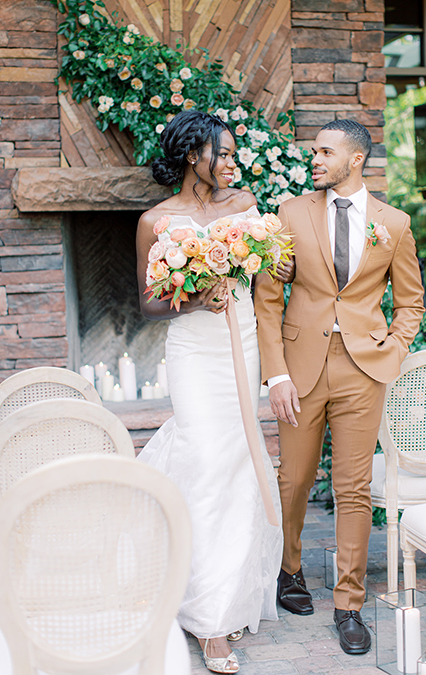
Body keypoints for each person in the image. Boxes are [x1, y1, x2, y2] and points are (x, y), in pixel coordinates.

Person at [254, 119, 425, 655]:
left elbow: (411, 300)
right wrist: (276, 371)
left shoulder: (393, 223)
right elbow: (267, 295)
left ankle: (349, 604)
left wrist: (392, 350)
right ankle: (290, 571)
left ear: (356, 159)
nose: (315, 159)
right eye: (314, 151)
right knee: (295, 479)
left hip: (363, 369)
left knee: (352, 489)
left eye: (325, 151)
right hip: (300, 369)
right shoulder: (289, 214)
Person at [136, 110, 283, 674]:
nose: (230, 163)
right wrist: (198, 296)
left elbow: (267, 275)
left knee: (238, 462)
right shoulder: (155, 220)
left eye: (231, 154)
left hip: (240, 342)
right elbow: (147, 303)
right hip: (194, 349)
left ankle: (225, 594)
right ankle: (209, 620)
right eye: (219, 153)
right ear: (191, 154)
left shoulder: (244, 207)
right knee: (204, 457)